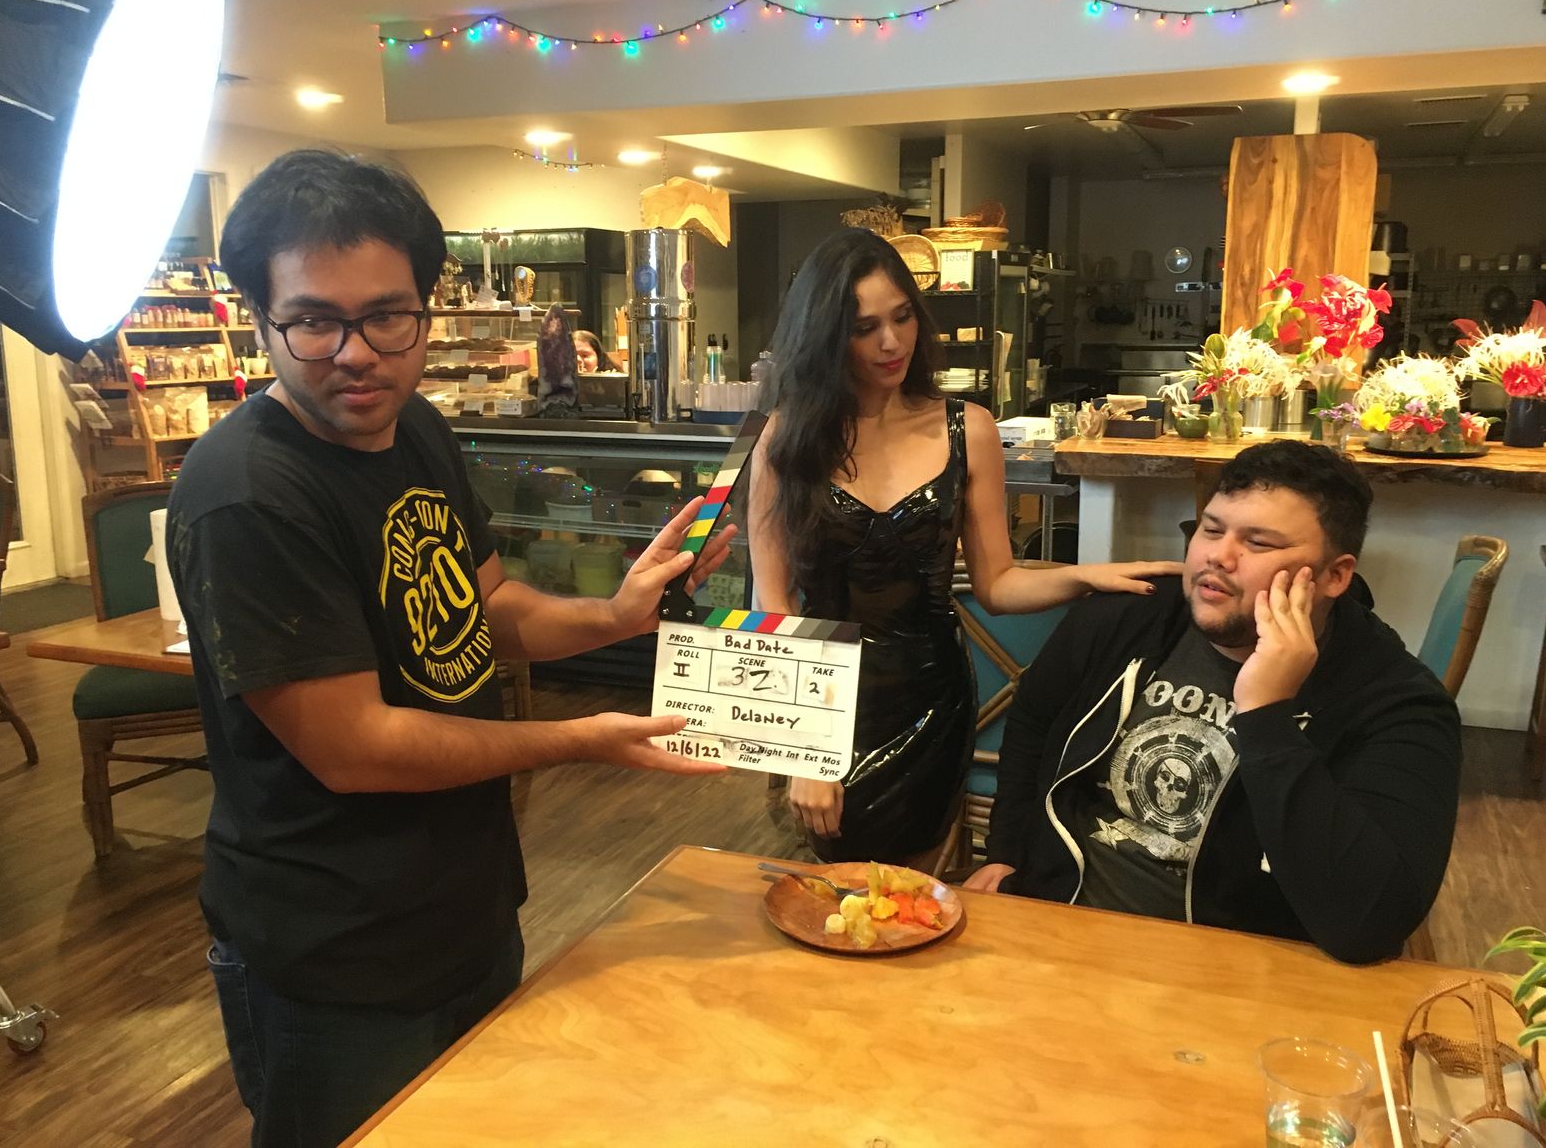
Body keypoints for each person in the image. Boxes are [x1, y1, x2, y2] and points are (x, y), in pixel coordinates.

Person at [165, 149, 736, 1148]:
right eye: (313, 321)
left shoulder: (416, 427)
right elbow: (357, 749)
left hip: (463, 902)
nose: (356, 354)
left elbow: (487, 603)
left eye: (387, 315)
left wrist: (613, 617)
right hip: (332, 952)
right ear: (259, 319)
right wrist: (580, 739)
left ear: (426, 311)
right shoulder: (248, 494)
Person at [746, 228, 1178, 870]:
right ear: (826, 336)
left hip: (932, 698)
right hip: (826, 697)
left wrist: (1088, 576)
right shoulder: (784, 439)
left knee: (911, 887)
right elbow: (773, 602)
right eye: (865, 328)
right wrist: (804, 750)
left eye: (902, 317)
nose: (892, 342)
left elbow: (997, 584)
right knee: (836, 883)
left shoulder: (967, 429)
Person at [965, 441, 1461, 964]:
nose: (1218, 557)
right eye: (1211, 529)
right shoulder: (1127, 617)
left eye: (1259, 543)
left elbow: (1369, 925)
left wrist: (1267, 716)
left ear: (1334, 575)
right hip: (1059, 928)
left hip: (1239, 973)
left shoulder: (1393, 701)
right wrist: (1006, 852)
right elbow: (1034, 720)